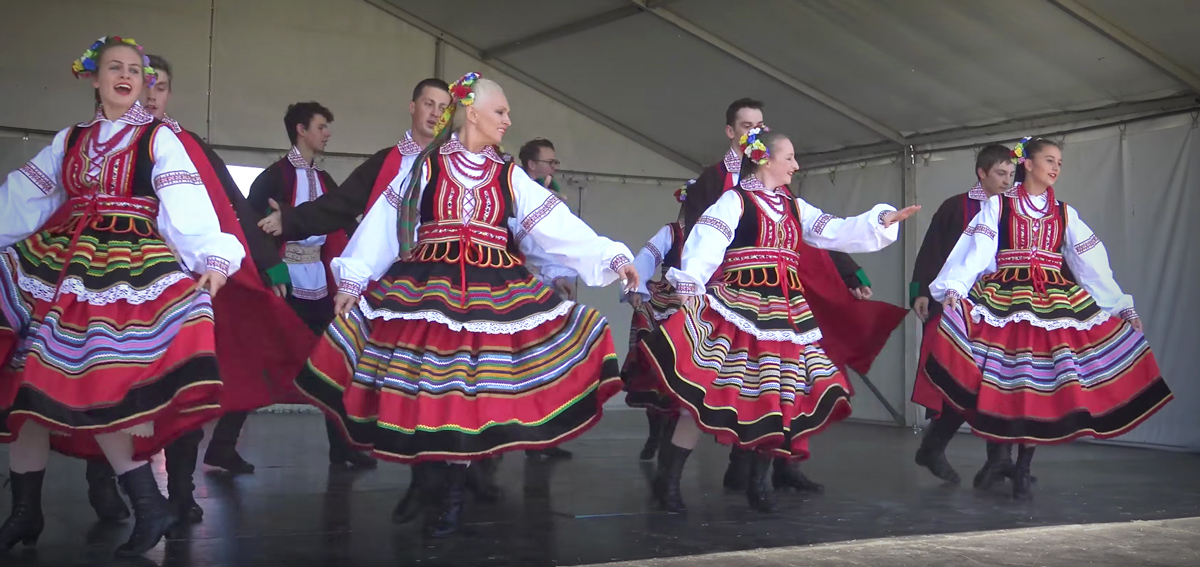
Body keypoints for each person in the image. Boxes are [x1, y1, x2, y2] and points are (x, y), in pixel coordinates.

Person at [294, 72, 639, 537]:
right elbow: (382, 221)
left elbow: (552, 222)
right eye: (501, 111)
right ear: (472, 112)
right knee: (420, 386)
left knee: (464, 392)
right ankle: (425, 483)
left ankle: (451, 494)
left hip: (491, 289)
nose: (508, 120)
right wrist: (352, 280)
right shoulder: (423, 167)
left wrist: (609, 255)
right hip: (426, 285)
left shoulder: (507, 173)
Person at [0, 36, 240, 557]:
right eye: (115, 67)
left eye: (136, 69)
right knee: (25, 383)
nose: (126, 76)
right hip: (60, 263)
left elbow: (186, 204)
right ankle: (25, 512)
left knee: (98, 381)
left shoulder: (158, 139)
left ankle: (149, 504)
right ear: (94, 77)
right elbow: (24, 199)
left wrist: (213, 257)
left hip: (122, 266)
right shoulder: (71, 139)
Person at [642, 128, 919, 513]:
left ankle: (758, 483)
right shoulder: (734, 200)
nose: (796, 165)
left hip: (786, 314)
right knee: (704, 395)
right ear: (765, 159)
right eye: (789, 157)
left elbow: (833, 230)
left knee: (778, 396)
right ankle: (667, 480)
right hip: (738, 308)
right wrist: (690, 288)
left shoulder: (794, 205)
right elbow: (706, 242)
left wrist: (883, 219)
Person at [923, 136, 1172, 500]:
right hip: (1006, 299)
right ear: (1028, 163)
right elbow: (976, 250)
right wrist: (956, 288)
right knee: (1011, 382)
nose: (1056, 167)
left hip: (1052, 303)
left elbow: (1092, 267)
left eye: (1059, 162)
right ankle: (1001, 460)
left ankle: (1023, 466)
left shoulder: (1065, 213)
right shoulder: (999, 206)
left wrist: (1122, 307)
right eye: (1049, 160)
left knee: (1043, 383)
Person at [239, 102, 377, 471]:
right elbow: (251, 228)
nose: (328, 133)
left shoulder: (327, 181)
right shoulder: (273, 178)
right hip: (285, 281)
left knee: (335, 358)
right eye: (322, 126)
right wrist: (275, 273)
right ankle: (222, 445)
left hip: (321, 282)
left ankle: (342, 446)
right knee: (262, 361)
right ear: (301, 130)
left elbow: (345, 220)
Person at [909, 144, 1019, 485]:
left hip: (1003, 303)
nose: (1007, 181)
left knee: (1002, 378)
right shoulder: (957, 206)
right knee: (963, 378)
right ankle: (934, 444)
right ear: (981, 173)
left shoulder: (1016, 208)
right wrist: (921, 291)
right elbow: (933, 251)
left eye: (1012, 174)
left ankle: (999, 459)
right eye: (1000, 173)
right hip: (960, 303)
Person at [620, 182, 691, 461]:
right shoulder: (672, 232)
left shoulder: (716, 232)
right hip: (665, 301)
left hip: (695, 301)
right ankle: (655, 434)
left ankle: (670, 439)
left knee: (683, 372)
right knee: (654, 366)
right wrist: (637, 289)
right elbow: (647, 257)